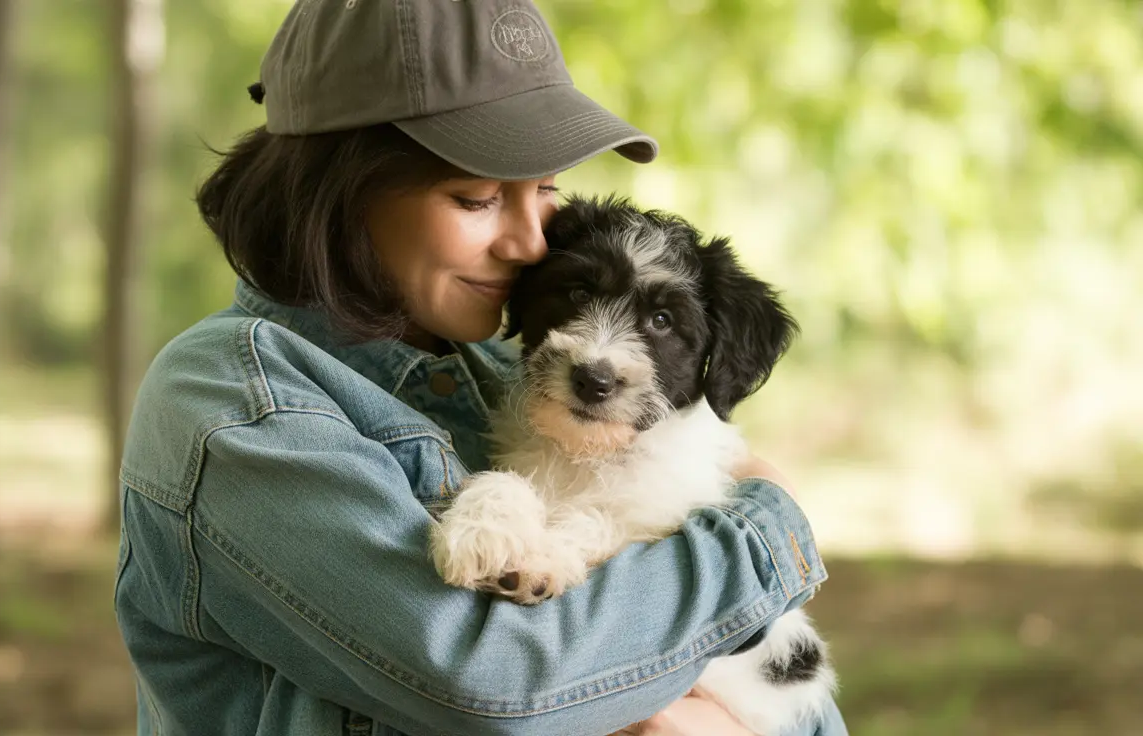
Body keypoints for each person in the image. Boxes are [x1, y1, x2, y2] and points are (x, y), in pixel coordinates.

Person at [112, 1, 848, 734]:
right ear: (337, 190)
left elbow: (798, 698)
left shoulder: (504, 374)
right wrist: (769, 520)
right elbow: (492, 681)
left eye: (548, 188)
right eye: (478, 197)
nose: (533, 245)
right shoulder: (236, 405)